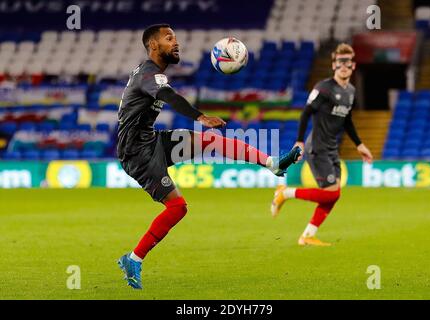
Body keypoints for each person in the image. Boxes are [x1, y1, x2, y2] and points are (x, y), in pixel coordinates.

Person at [117, 24, 301, 289]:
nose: (176, 43)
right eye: (169, 39)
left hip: (150, 139)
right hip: (136, 153)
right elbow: (168, 95)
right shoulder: (148, 73)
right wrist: (199, 116)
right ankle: (133, 259)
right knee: (178, 208)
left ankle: (271, 163)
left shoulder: (152, 73)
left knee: (210, 141)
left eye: (176, 38)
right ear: (153, 46)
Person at [271, 43, 373, 247]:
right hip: (316, 148)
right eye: (340, 61)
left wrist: (359, 144)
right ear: (334, 65)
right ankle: (285, 193)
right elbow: (306, 112)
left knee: (333, 196)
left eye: (348, 62)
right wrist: (299, 141)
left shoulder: (351, 91)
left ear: (353, 66)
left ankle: (307, 235)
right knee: (331, 192)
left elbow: (347, 119)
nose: (344, 66)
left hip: (331, 149)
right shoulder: (323, 88)